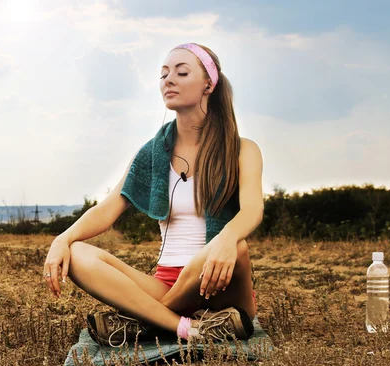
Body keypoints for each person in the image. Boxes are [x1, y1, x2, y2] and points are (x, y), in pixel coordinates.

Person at [43, 43, 264, 347]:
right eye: (163, 74)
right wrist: (61, 240)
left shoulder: (243, 149)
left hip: (221, 286)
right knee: (78, 253)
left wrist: (226, 239)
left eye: (182, 72)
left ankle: (146, 321)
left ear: (208, 85)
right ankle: (186, 328)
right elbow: (107, 210)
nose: (168, 80)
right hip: (165, 284)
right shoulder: (152, 154)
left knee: (237, 246)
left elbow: (252, 210)